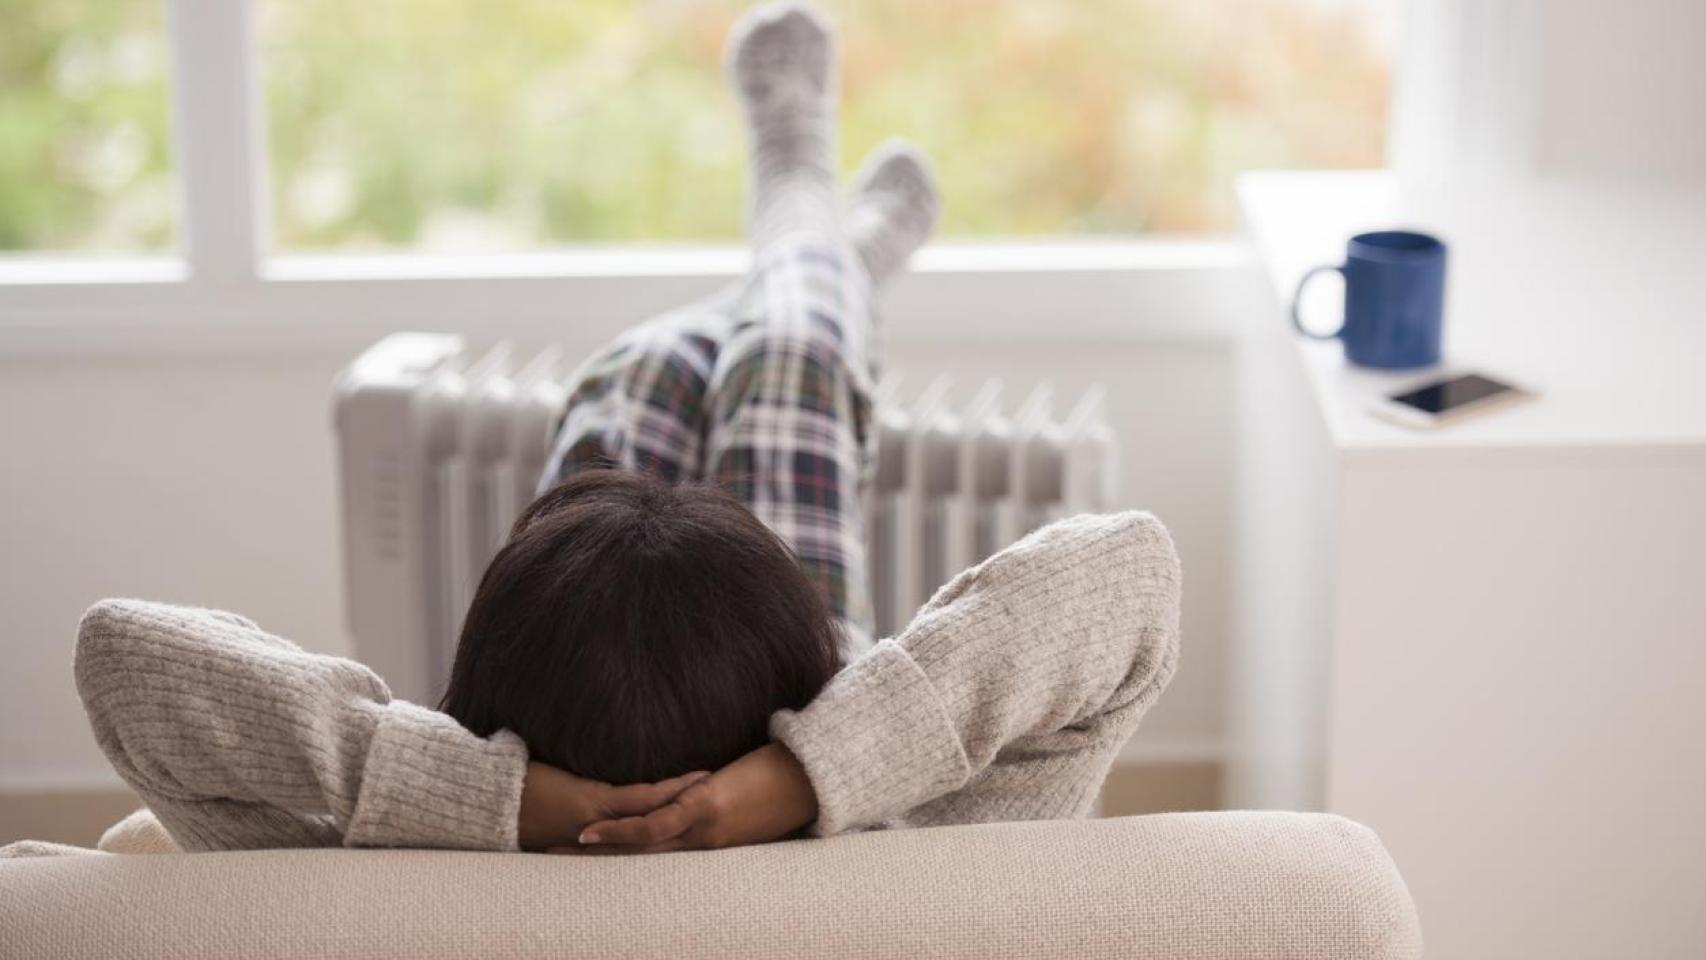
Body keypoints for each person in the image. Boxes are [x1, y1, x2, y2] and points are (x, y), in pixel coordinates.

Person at [71, 4, 1180, 857]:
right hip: (795, 741)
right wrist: (803, 777)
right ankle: (807, 218)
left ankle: (821, 247)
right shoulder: (915, 846)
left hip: (583, 709)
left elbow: (126, 657)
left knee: (636, 380)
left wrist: (503, 805)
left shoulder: (375, 869)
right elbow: (1131, 571)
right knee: (786, 360)